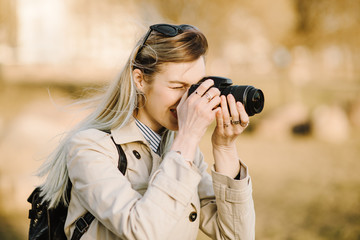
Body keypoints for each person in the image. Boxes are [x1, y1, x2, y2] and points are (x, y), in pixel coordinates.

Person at [37, 23, 255, 240]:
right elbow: (145, 232)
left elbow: (237, 236)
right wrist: (187, 138)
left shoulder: (182, 151)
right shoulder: (89, 148)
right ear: (140, 80)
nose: (190, 101)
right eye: (178, 87)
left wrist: (224, 147)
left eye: (196, 87)